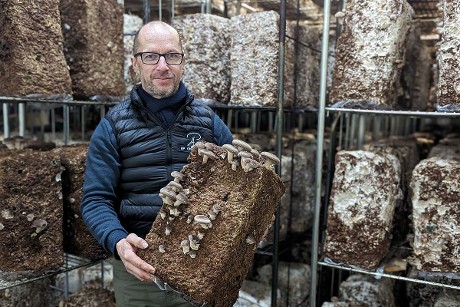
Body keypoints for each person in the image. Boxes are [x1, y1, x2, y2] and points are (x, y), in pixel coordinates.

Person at [81, 20, 233, 306]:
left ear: (183, 62)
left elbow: (235, 192)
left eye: (171, 55)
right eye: (150, 56)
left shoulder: (211, 124)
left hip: (201, 266)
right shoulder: (112, 126)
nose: (162, 65)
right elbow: (96, 199)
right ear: (135, 64)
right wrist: (117, 241)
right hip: (140, 271)